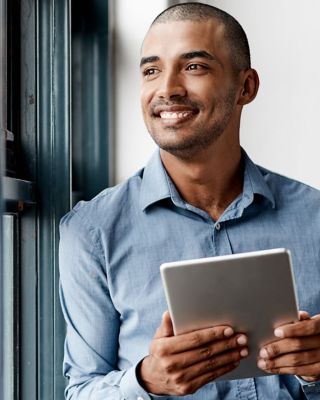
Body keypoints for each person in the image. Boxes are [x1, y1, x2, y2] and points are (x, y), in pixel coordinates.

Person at [59, 3, 320, 399]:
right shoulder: (92, 232)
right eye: (151, 70)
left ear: (245, 88)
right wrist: (146, 383)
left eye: (194, 66)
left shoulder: (315, 218)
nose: (167, 89)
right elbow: (81, 390)